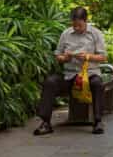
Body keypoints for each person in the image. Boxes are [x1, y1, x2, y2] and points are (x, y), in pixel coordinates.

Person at [34, 7, 107, 136]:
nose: (76, 28)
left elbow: (103, 57)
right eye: (74, 25)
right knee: (50, 82)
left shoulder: (96, 34)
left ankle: (97, 121)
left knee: (97, 84)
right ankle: (45, 122)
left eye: (79, 25)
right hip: (69, 75)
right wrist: (64, 58)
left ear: (86, 21)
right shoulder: (66, 34)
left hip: (89, 74)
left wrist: (88, 57)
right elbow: (58, 55)